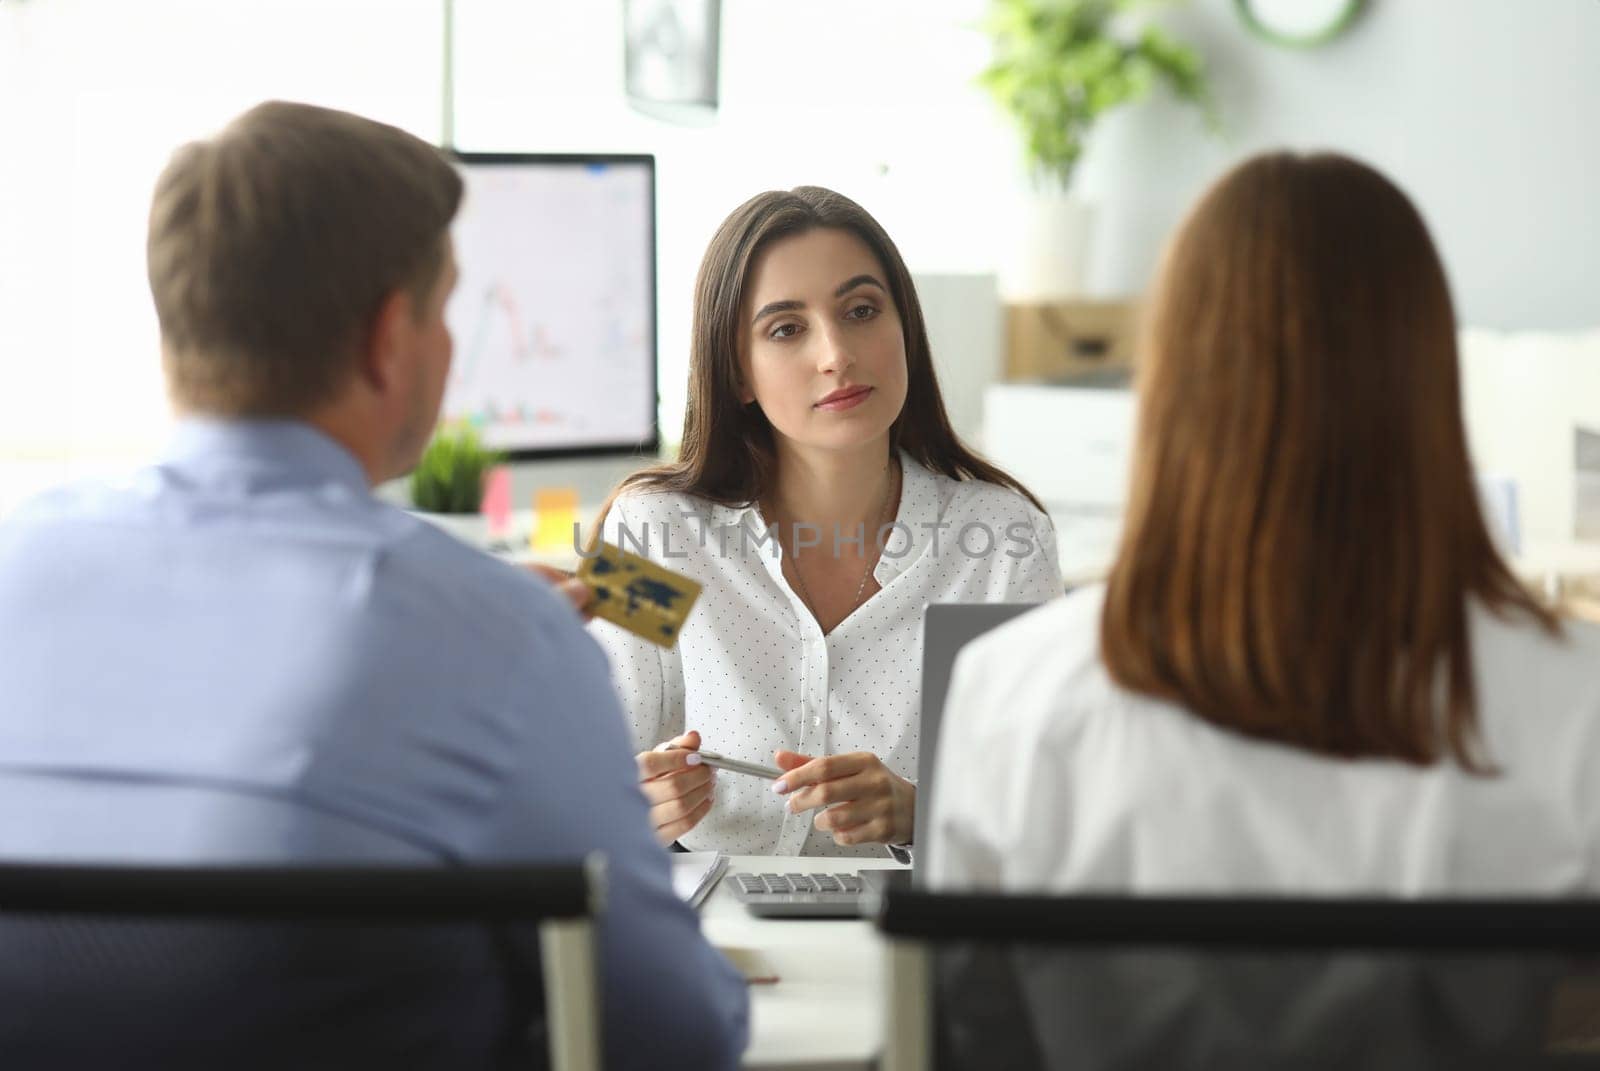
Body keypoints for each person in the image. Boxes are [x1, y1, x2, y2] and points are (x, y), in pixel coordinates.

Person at [0, 101, 745, 1069]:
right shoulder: (503, 635)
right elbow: (668, 1036)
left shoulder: (19, 563)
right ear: (390, 338)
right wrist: (496, 626)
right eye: (445, 313)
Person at [928, 151, 1600, 896]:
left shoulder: (1013, 694)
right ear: (1429, 375)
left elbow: (965, 1006)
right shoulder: (1575, 705)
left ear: (1168, 385)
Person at [589, 186, 1064, 858]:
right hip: (715, 940)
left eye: (862, 310)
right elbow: (579, 775)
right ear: (737, 373)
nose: (836, 353)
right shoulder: (645, 532)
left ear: (905, 329)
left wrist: (919, 813)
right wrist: (629, 804)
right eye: (786, 328)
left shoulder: (1007, 542)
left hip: (911, 944)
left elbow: (1046, 816)